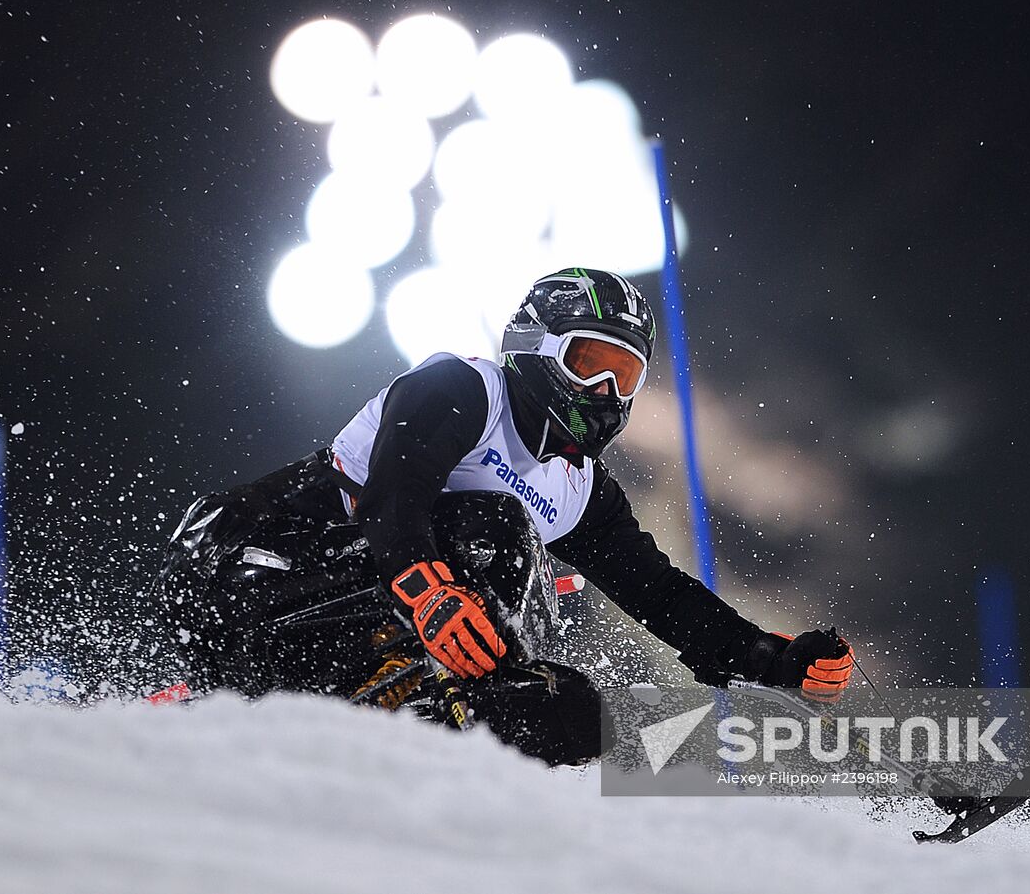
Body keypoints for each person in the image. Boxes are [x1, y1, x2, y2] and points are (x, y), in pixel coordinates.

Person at [158, 268, 854, 764]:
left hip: (354, 616)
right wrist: (432, 594)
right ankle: (418, 698)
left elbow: (661, 595)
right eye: (590, 362)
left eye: (627, 376)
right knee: (498, 530)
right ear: (536, 346)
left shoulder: (583, 490)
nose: (608, 391)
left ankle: (413, 723)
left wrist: (772, 657)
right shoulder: (461, 389)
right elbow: (393, 501)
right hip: (242, 563)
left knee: (578, 714)